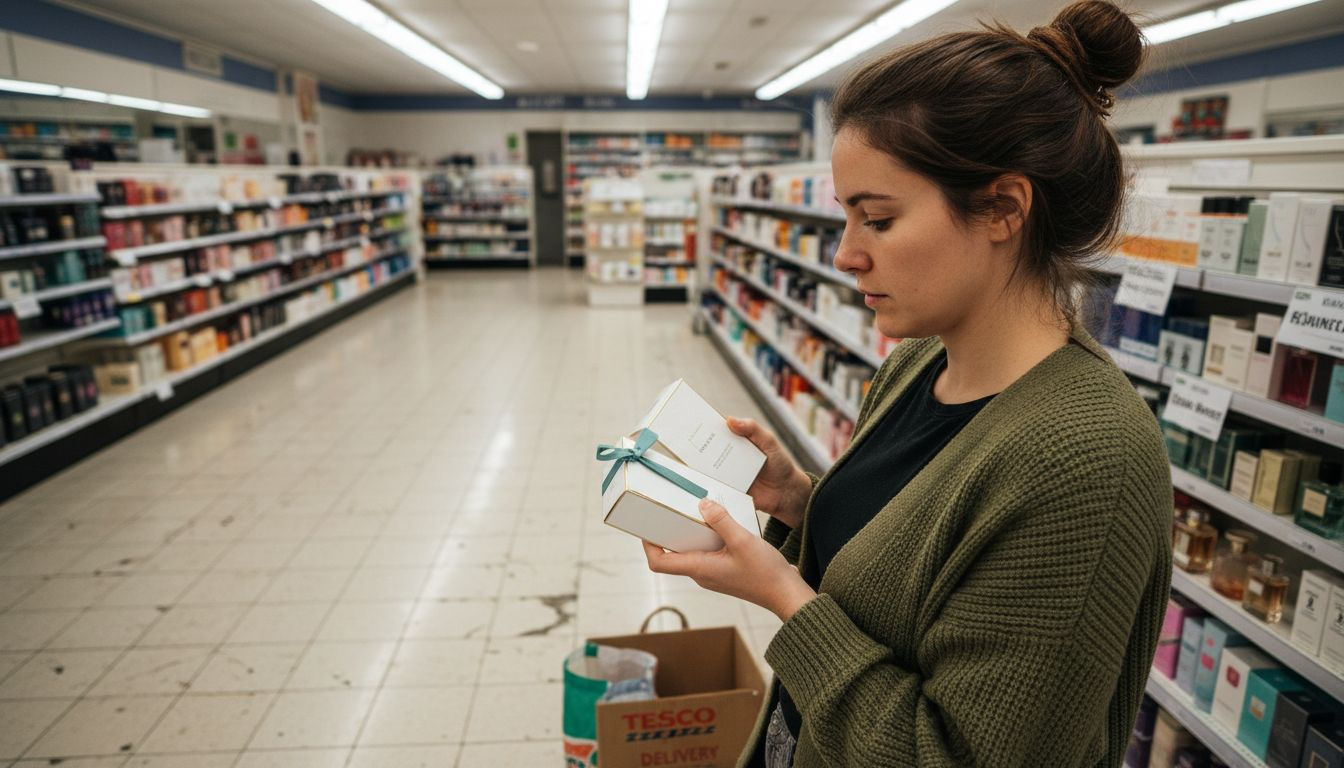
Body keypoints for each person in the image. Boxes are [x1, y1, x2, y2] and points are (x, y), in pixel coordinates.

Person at [642, 2, 1172, 765]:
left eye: (879, 220)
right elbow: (898, 588)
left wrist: (784, 598)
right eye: (846, 218)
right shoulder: (917, 364)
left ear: (1003, 208)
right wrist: (800, 503)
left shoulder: (1087, 459)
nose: (845, 255)